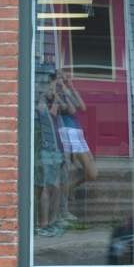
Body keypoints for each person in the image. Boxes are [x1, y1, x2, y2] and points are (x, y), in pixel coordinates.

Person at [54, 70, 97, 219]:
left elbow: (83, 107)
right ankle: (63, 209)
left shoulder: (67, 91)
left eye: (67, 77)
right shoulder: (56, 94)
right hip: (67, 133)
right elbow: (72, 110)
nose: (67, 79)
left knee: (92, 173)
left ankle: (70, 188)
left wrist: (72, 89)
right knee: (69, 173)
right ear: (58, 79)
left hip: (77, 133)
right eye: (64, 77)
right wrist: (64, 90)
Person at [35, 74, 65, 238]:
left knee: (57, 187)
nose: (54, 91)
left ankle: (53, 221)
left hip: (57, 150)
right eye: (51, 87)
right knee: (47, 187)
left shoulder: (52, 103)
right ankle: (43, 224)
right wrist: (55, 95)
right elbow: (51, 113)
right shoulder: (41, 103)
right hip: (47, 151)